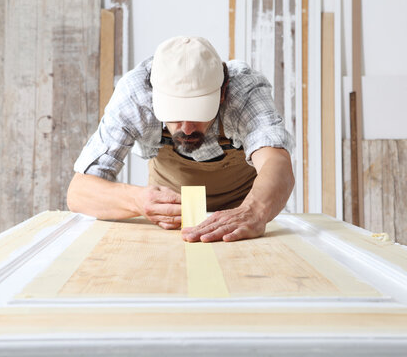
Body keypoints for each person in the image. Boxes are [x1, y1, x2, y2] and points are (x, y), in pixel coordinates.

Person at [67, 36, 295, 243]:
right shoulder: (135, 94)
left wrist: (253, 212)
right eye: (174, 114)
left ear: (223, 92)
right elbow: (79, 192)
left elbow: (278, 164)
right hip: (170, 220)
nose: (186, 130)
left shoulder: (244, 90)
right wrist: (137, 200)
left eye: (198, 113)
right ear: (154, 95)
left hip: (243, 215)